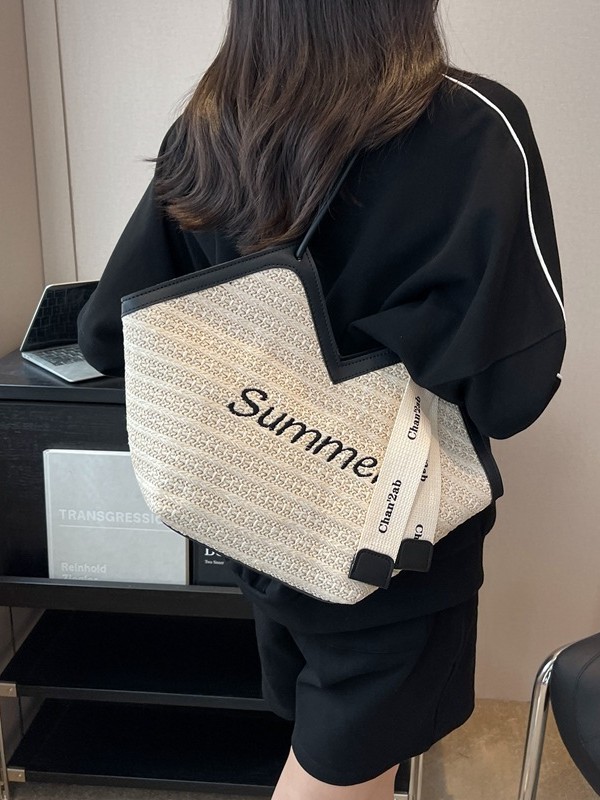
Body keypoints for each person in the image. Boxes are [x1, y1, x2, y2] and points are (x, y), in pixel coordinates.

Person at [77, 1, 566, 797]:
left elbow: (109, 333)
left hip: (266, 525)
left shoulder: (211, 125)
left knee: (329, 749)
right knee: (341, 771)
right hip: (398, 545)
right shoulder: (475, 125)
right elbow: (512, 388)